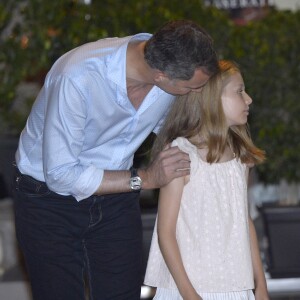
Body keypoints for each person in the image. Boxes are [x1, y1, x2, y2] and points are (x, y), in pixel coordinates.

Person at [12, 20, 219, 300]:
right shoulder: (77, 76)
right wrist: (147, 178)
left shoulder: (167, 74)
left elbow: (172, 131)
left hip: (117, 200)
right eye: (191, 87)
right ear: (160, 76)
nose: (195, 93)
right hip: (48, 201)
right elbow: (61, 174)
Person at [144, 60, 270, 300]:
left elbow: (244, 222)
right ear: (212, 98)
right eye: (240, 91)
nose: (249, 99)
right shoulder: (181, 154)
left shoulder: (240, 159)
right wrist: (190, 295)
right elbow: (166, 232)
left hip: (235, 284)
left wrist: (260, 285)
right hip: (187, 288)